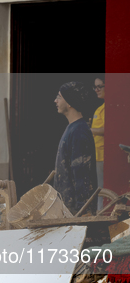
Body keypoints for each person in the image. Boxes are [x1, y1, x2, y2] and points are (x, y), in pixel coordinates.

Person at [53, 82, 98, 215]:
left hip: (77, 210)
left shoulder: (79, 131)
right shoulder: (72, 127)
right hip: (68, 207)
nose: (55, 100)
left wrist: (82, 209)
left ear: (70, 102)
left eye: (59, 97)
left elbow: (82, 173)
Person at [91, 74, 105, 210]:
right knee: (100, 187)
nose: (96, 89)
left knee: (102, 188)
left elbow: (108, 129)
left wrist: (90, 130)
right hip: (98, 153)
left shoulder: (109, 109)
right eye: (95, 87)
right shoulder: (100, 108)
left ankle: (101, 214)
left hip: (104, 154)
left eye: (100, 86)